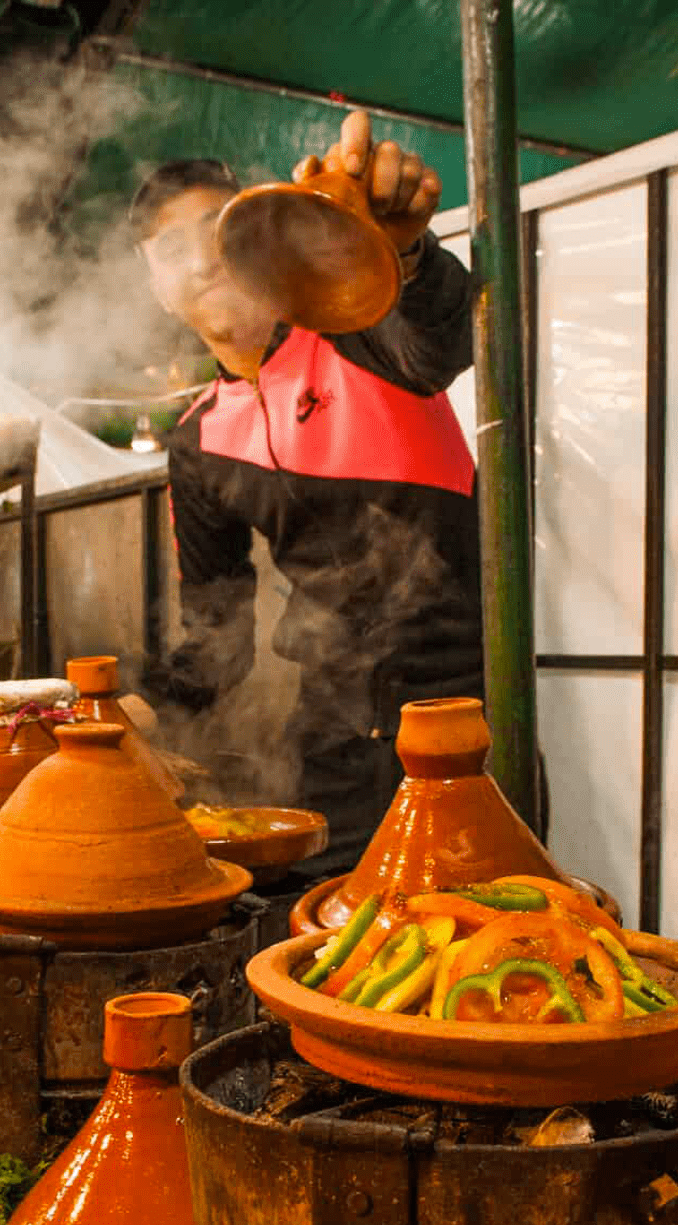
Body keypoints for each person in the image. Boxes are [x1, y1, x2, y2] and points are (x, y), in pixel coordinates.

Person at [134, 110, 480, 876]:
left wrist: (405, 249)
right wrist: (132, 712)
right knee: (318, 955)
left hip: (463, 723)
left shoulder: (362, 332)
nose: (199, 258)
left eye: (213, 226)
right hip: (331, 740)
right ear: (156, 287)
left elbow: (444, 333)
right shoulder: (196, 442)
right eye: (169, 247)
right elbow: (215, 640)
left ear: (255, 238)